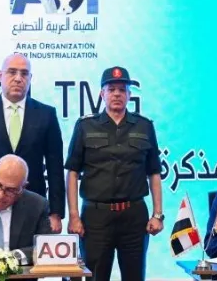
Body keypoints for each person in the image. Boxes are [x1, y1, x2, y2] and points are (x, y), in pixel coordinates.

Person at [64, 66, 164, 281]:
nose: (117, 94)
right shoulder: (85, 126)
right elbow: (72, 173)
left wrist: (157, 214)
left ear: (129, 94)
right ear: (102, 94)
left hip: (134, 216)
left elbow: (154, 172)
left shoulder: (144, 126)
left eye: (122, 89)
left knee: (135, 276)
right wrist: (73, 216)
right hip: (96, 218)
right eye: (111, 89)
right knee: (95, 277)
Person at [0, 53, 65, 232]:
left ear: (30, 78)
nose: (18, 78)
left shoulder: (46, 114)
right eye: (12, 72)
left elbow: (55, 167)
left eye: (24, 73)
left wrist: (55, 212)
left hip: (33, 203)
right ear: (0, 75)